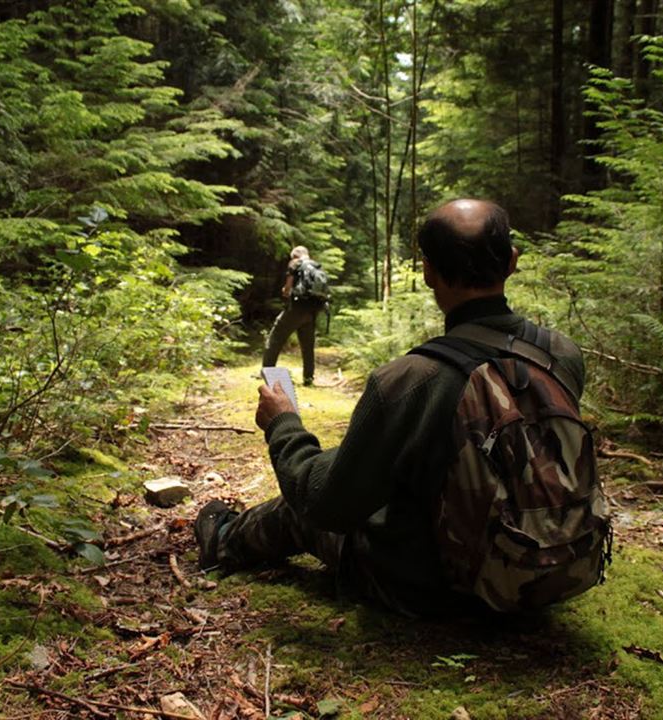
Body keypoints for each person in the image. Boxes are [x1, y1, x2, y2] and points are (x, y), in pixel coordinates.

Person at [196, 199, 589, 617]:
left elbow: (325, 504)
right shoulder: (560, 355)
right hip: (550, 571)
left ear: (427, 271)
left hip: (437, 592)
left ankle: (222, 538)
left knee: (303, 505)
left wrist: (283, 424)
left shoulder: (408, 380)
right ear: (512, 262)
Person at [261, 246, 325, 386]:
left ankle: (267, 372)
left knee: (274, 339)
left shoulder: (295, 264)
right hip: (312, 312)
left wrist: (285, 290)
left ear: (295, 256)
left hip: (295, 309)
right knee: (308, 346)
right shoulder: (317, 266)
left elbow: (287, 289)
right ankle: (308, 378)